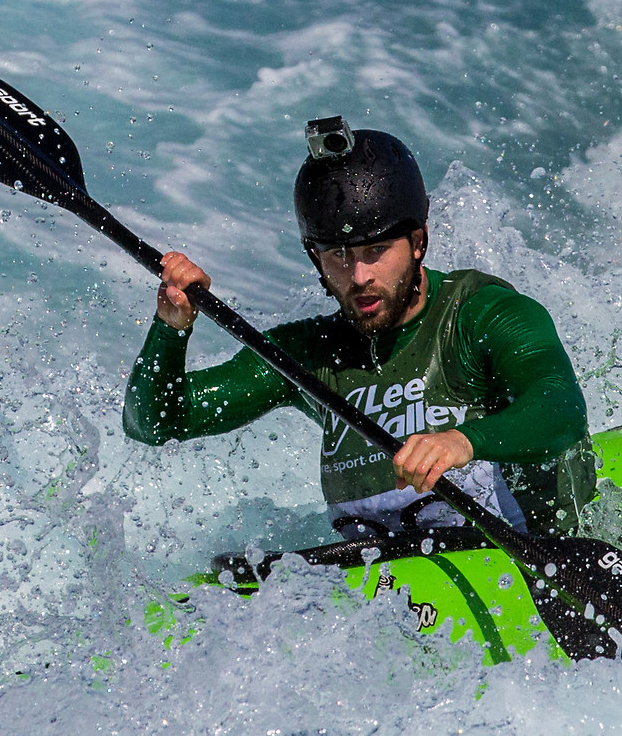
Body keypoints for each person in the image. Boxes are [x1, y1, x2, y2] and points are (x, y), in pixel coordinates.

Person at [122, 117, 595, 542]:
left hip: (538, 550)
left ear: (418, 242)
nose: (360, 275)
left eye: (376, 250)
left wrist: (463, 441)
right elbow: (156, 423)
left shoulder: (481, 315)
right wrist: (171, 327)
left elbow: (562, 408)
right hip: (394, 581)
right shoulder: (306, 355)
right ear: (316, 260)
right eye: (338, 256)